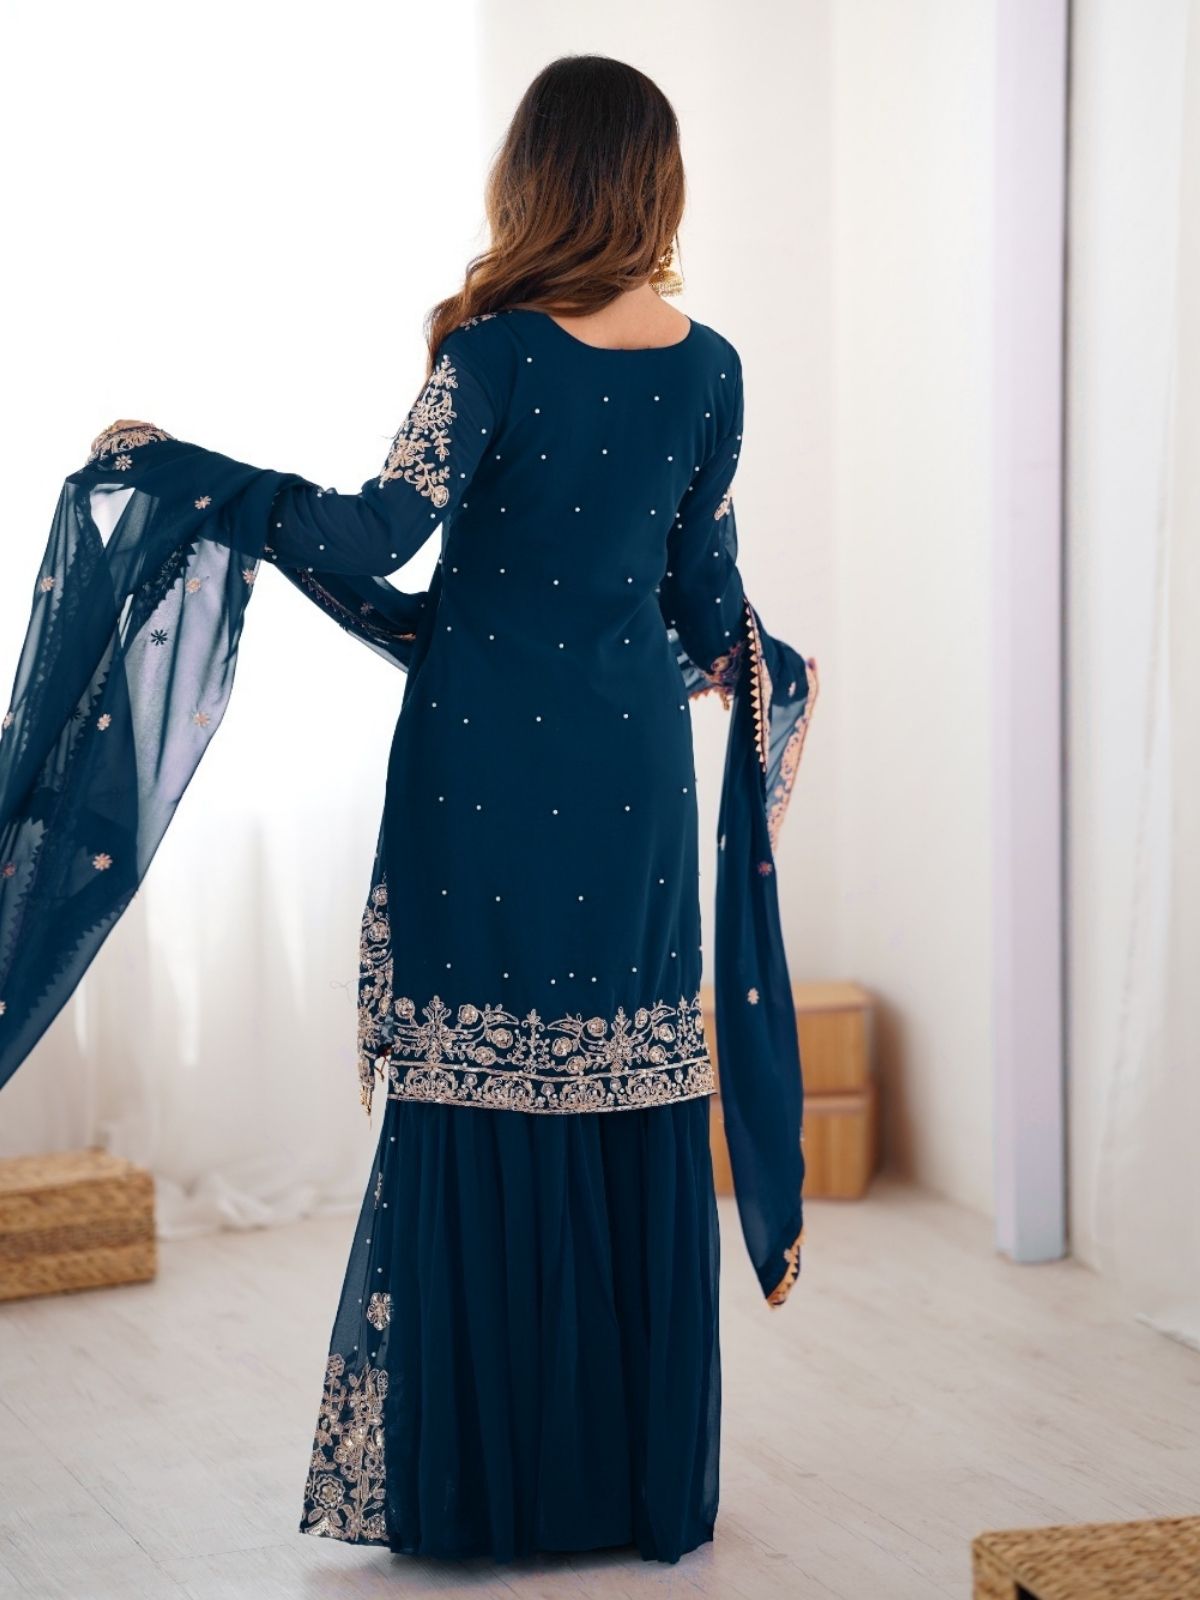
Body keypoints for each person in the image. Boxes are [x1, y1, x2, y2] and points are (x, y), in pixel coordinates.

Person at [0, 54, 817, 1565]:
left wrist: (186, 477)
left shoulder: (491, 355)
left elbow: (378, 537)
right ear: (656, 181)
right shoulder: (715, 369)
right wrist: (773, 683)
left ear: (535, 181)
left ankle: (487, 1493)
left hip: (488, 776)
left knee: (476, 1098)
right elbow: (706, 607)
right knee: (625, 1092)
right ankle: (634, 1488)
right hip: (629, 776)